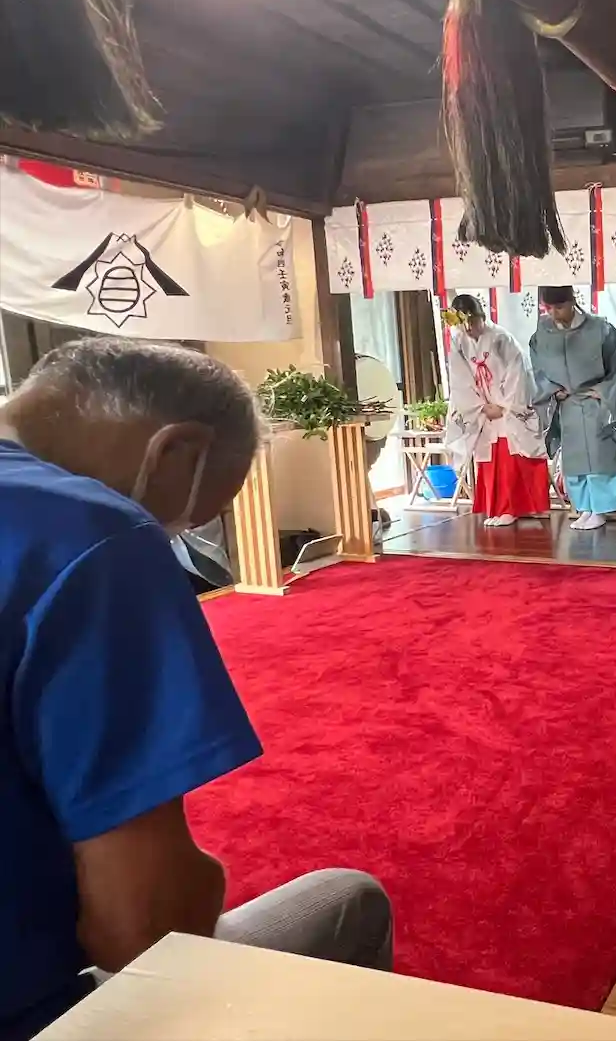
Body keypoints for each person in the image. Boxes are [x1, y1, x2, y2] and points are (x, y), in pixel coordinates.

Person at [0, 339, 392, 1041]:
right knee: (350, 902)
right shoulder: (95, 536)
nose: (180, 532)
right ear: (177, 451)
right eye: (192, 517)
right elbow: (143, 931)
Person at [529, 285, 616, 531]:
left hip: (596, 402)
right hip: (567, 403)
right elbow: (538, 369)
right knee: (575, 459)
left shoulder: (600, 329)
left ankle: (602, 509)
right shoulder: (542, 332)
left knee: (599, 455)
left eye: (560, 307)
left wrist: (605, 390)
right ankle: (585, 507)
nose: (553, 313)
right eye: (549, 308)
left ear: (572, 301)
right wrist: (552, 390)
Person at [442, 293, 549, 527]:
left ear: (481, 316)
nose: (469, 329)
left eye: (472, 322)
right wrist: (479, 407)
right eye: (463, 324)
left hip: (507, 406)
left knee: (511, 456)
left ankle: (513, 508)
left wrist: (505, 406)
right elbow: (459, 380)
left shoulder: (501, 338)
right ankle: (498, 508)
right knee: (490, 460)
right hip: (483, 407)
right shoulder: (459, 342)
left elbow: (519, 372)